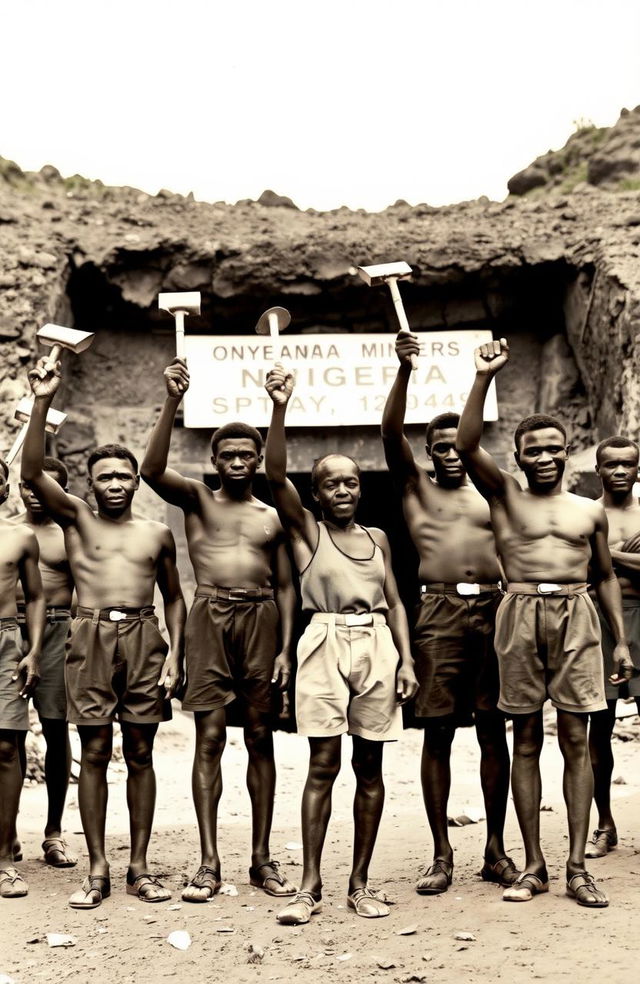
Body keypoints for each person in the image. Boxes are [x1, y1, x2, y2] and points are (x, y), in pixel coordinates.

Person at [456, 337, 632, 909]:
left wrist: (621, 643)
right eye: (534, 449)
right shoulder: (504, 495)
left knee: (578, 738)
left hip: (579, 614)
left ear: (568, 451)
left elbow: (605, 575)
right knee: (526, 738)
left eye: (555, 448)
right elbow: (465, 443)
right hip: (520, 610)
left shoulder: (589, 510)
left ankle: (578, 866)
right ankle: (534, 865)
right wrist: (484, 379)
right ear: (520, 454)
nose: (546, 457)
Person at [22, 357, 186, 909]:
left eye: (123, 476)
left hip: (143, 636)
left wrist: (174, 656)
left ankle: (140, 866)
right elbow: (32, 476)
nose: (115, 484)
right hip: (89, 637)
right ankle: (97, 869)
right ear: (90, 486)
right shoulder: (77, 520)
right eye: (104, 478)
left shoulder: (157, 533)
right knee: (93, 750)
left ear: (138, 481)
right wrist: (42, 400)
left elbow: (175, 598)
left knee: (141, 751)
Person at [264, 363, 418, 925]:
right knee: (323, 762)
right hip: (324, 639)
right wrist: (280, 407)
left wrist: (405, 661)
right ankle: (310, 885)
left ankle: (360, 882)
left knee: (371, 765)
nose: (343, 490)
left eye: (351, 481)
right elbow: (274, 473)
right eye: (331, 483)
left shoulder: (378, 538)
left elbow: (396, 602)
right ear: (318, 494)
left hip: (376, 642)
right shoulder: (308, 531)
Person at [140, 358, 297, 903]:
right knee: (208, 738)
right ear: (213, 460)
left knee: (259, 736)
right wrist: (171, 401)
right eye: (226, 454)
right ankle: (208, 863)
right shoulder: (197, 500)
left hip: (260, 619)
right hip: (210, 616)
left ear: (257, 459)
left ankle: (260, 859)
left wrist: (285, 649)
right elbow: (151, 471)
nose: (236, 461)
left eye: (245, 454)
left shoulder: (270, 516)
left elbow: (286, 587)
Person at [381, 332, 516, 895]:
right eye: (439, 447)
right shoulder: (416, 490)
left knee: (493, 730)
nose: (451, 453)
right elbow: (390, 433)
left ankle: (495, 849)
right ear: (429, 453)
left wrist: (481, 378)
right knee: (437, 731)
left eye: (457, 445)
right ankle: (441, 853)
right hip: (437, 611)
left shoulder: (493, 492)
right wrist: (404, 372)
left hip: (494, 605)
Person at [11, 457, 76, 870]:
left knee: (56, 729)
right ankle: (8, 832)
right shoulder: (9, 529)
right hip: (8, 630)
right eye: (28, 486)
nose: (34, 494)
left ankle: (53, 832)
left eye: (44, 487)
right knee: (8, 736)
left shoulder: (71, 534)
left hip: (56, 632)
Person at [586, 437, 640, 858]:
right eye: (612, 465)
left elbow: (597, 560)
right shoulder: (586, 512)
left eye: (628, 464)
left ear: (638, 469)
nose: (620, 471)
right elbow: (580, 565)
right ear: (598, 469)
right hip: (597, 619)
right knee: (598, 727)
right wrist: (624, 555)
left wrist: (608, 554)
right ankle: (604, 824)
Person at [0, 454, 45, 898]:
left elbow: (34, 596)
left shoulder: (20, 536)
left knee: (4, 746)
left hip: (4, 643)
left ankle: (3, 859)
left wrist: (33, 651)